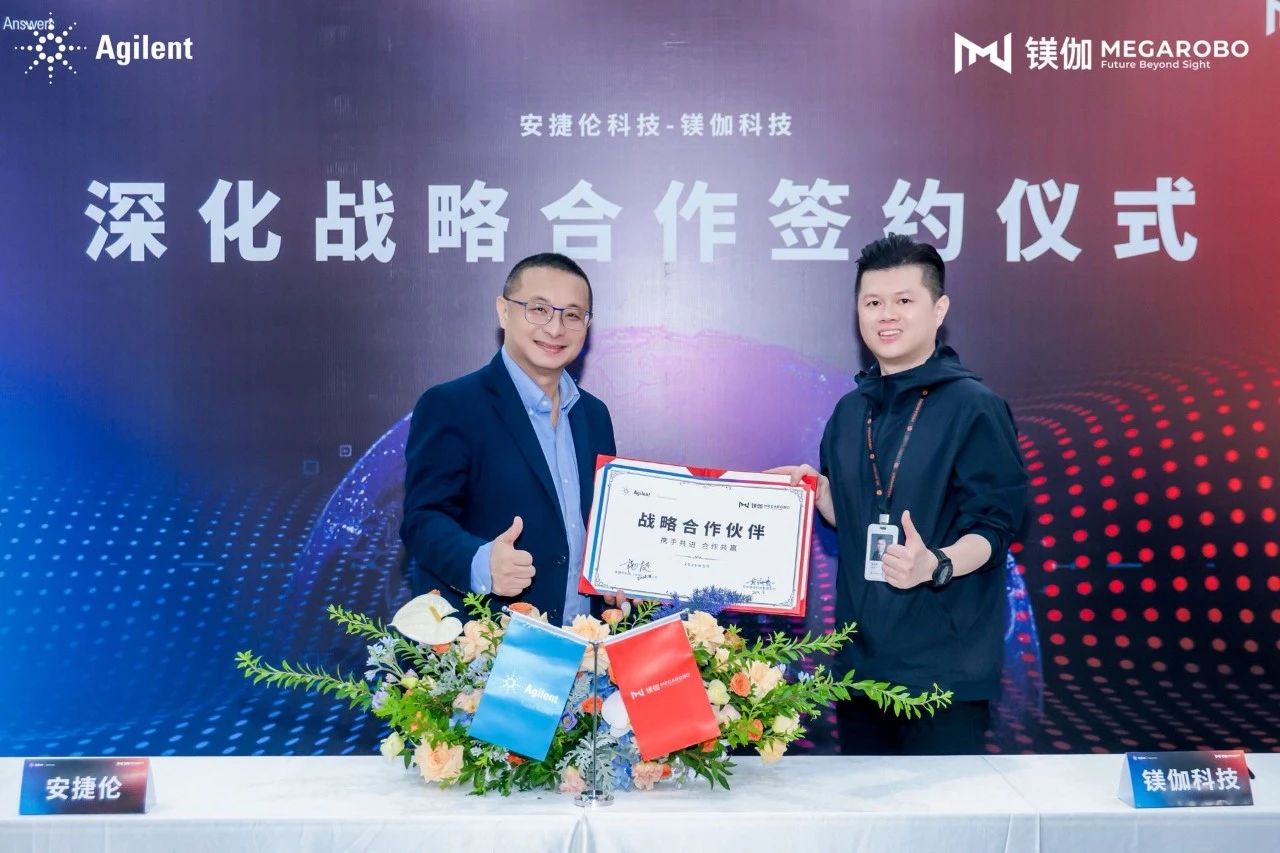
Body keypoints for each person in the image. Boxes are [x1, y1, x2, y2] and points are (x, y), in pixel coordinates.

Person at [772, 234, 1027, 754]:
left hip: (944, 675)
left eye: (904, 300)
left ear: (939, 310)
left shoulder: (975, 406)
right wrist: (821, 495)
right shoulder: (850, 412)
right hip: (858, 672)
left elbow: (995, 527)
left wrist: (936, 563)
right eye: (872, 302)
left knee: (941, 810)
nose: (886, 315)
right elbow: (860, 517)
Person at [399, 252, 616, 626]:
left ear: (587, 325)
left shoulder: (594, 415)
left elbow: (602, 525)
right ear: (504, 311)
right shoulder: (452, 405)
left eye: (572, 315)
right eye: (539, 309)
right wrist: (480, 561)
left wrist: (619, 571)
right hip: (491, 642)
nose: (555, 329)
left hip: (588, 642)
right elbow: (423, 519)